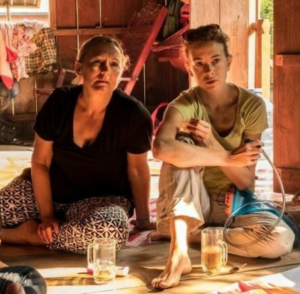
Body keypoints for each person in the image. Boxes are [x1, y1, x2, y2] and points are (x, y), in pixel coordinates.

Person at [151, 24, 295, 289]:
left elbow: (244, 181)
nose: (209, 70)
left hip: (233, 202)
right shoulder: (183, 105)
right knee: (180, 143)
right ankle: (178, 253)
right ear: (188, 66)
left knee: (281, 240)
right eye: (199, 63)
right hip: (193, 201)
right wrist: (228, 157)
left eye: (216, 60)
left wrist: (211, 142)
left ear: (228, 60)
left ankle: (194, 237)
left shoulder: (251, 106)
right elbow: (160, 148)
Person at [0, 35, 154, 254]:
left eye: (114, 65)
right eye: (97, 62)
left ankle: (26, 236)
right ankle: (46, 232)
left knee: (108, 233)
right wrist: (47, 216)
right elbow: (41, 162)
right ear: (79, 68)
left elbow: (138, 170)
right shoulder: (59, 102)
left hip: (102, 199)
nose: (105, 71)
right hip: (48, 193)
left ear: (121, 72)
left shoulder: (134, 114)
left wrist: (144, 219)